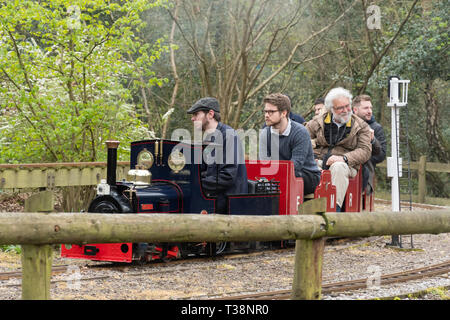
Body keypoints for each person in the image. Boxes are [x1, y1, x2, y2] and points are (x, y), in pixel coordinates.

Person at [305, 88, 372, 211]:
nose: (346, 110)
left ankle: (333, 211)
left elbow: (365, 150)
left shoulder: (361, 126)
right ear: (331, 109)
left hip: (347, 166)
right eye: (340, 108)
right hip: (319, 162)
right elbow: (302, 142)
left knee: (338, 167)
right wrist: (310, 159)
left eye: (347, 106)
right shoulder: (316, 122)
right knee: (306, 169)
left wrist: (344, 158)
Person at [187, 97, 248, 213]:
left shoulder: (229, 136)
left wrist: (196, 186)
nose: (192, 118)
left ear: (210, 114)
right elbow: (203, 171)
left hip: (228, 207)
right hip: (212, 200)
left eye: (196, 114)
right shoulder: (208, 138)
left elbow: (228, 176)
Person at [259, 93, 321, 195]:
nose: (266, 115)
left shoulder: (300, 132)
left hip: (307, 175)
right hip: (279, 174)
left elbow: (295, 166)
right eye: (265, 111)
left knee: (287, 178)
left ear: (284, 113)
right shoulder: (265, 133)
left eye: (271, 112)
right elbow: (264, 164)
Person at [353, 94, 387, 194]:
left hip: (365, 175)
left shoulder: (376, 128)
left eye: (370, 108)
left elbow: (381, 155)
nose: (370, 111)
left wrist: (373, 140)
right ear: (355, 110)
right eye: (366, 108)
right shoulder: (347, 124)